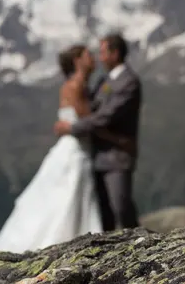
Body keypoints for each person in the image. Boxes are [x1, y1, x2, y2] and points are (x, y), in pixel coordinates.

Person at [0, 45, 103, 253]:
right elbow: (87, 120)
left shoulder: (78, 85)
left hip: (77, 148)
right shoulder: (76, 86)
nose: (93, 58)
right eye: (88, 55)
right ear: (78, 61)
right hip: (77, 150)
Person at [54, 33, 141, 230]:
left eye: (102, 52)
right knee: (104, 213)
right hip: (97, 155)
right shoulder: (104, 81)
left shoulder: (128, 81)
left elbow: (106, 116)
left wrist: (73, 127)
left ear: (115, 53)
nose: (99, 58)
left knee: (121, 206)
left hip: (117, 156)